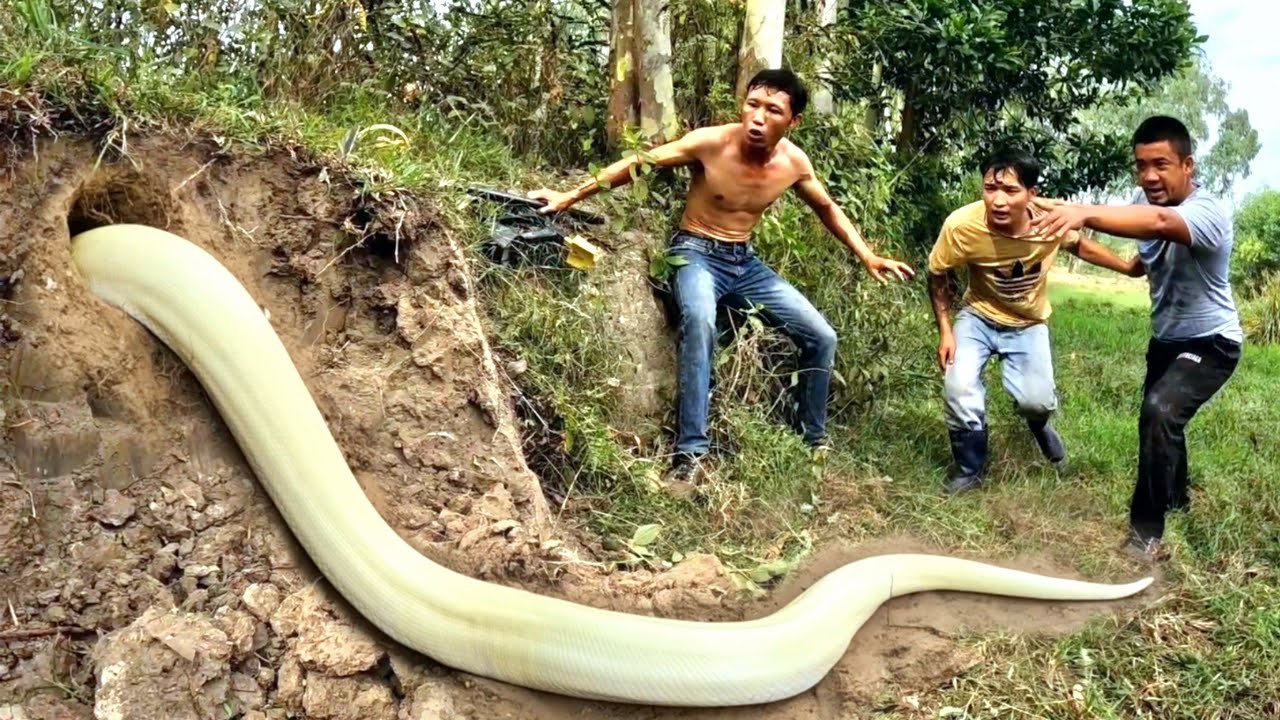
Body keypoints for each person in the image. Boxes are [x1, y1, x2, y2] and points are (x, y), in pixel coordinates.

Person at [528, 69, 914, 486]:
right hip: (694, 252)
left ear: (792, 122)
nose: (758, 118)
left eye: (773, 110)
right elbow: (639, 163)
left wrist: (868, 255)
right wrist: (569, 196)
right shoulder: (711, 142)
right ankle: (690, 454)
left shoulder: (794, 163)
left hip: (744, 264)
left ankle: (813, 442)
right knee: (700, 322)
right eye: (752, 104)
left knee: (822, 336)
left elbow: (826, 207)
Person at [1031, 115, 1243, 560]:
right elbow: (1135, 267)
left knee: (1160, 411)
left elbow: (1162, 223)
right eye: (1141, 165)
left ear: (1188, 165)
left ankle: (1145, 534)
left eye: (1161, 164)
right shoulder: (1142, 203)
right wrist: (1077, 242)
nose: (1149, 176)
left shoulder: (1207, 212)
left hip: (1213, 342)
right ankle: (1176, 498)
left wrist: (1085, 210)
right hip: (1166, 340)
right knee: (1165, 420)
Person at [928, 148, 1145, 494]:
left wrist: (1128, 268)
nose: (998, 201)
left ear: (1032, 194)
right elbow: (938, 274)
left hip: (1028, 322)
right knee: (959, 385)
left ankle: (1039, 425)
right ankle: (970, 468)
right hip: (978, 314)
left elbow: (1080, 247)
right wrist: (945, 330)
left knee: (1037, 401)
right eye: (989, 189)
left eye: (1010, 191)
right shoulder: (961, 226)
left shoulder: (1049, 220)